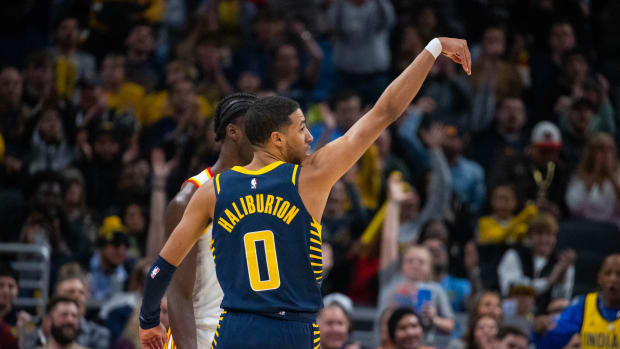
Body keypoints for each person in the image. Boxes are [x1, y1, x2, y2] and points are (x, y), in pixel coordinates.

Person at [139, 36, 471, 348]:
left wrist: (149, 320)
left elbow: (162, 267)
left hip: (235, 329)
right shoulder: (309, 177)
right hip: (292, 329)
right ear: (277, 139)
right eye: (301, 128)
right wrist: (434, 47)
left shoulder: (212, 190)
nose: (310, 137)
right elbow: (384, 112)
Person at [164, 93, 258, 349]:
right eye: (258, 130)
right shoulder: (189, 199)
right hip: (202, 337)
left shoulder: (262, 194)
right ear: (233, 132)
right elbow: (178, 293)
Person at [539, 253, 620, 348]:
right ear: (599, 278)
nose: (613, 279)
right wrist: (541, 328)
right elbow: (552, 337)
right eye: (608, 273)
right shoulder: (582, 306)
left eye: (619, 274)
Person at [565, 132, 620, 227]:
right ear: (591, 152)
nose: (605, 154)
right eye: (600, 149)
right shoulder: (579, 177)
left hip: (614, 230)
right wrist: (594, 176)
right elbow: (574, 208)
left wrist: (613, 179)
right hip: (586, 229)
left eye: (609, 149)